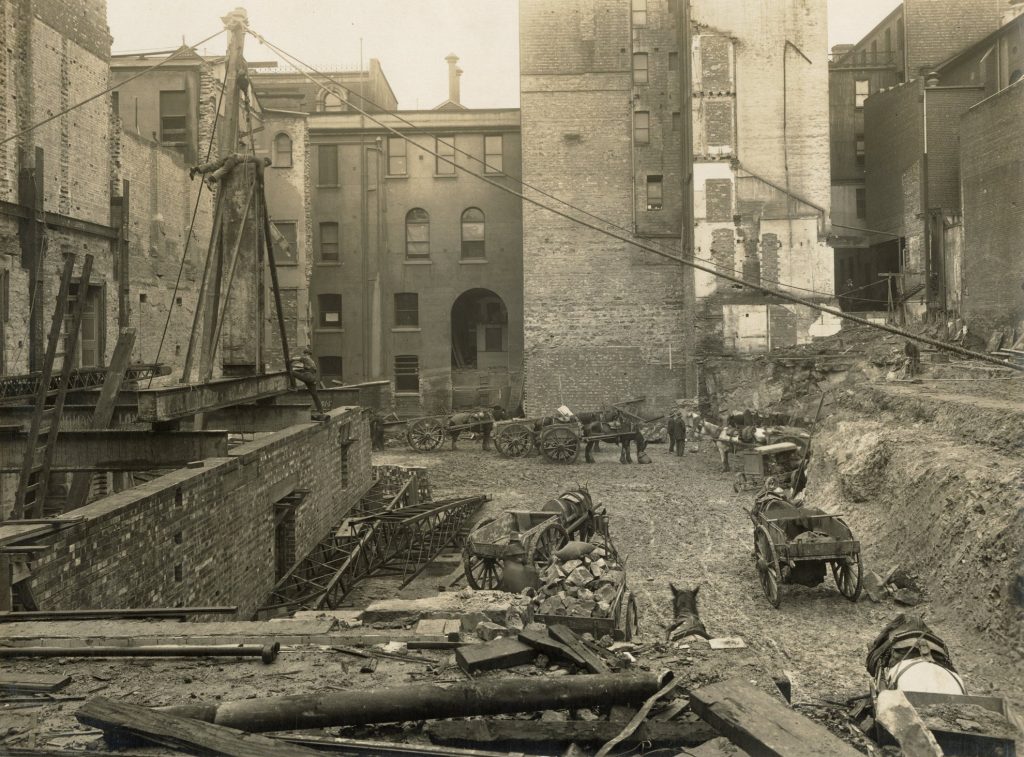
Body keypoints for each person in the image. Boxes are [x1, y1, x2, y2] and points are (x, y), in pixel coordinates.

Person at [289, 347, 327, 420]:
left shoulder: (305, 358)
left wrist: (289, 362)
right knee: (315, 395)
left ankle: (294, 387)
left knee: (291, 373)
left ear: (306, 353)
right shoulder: (312, 361)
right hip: (312, 379)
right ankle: (321, 410)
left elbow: (294, 359)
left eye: (304, 353)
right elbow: (307, 369)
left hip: (307, 377)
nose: (303, 354)